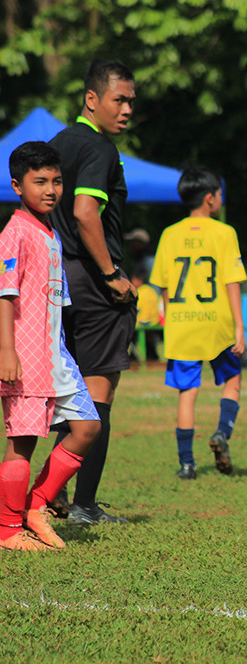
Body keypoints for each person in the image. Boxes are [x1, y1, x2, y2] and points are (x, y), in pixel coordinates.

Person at [47, 60, 137, 526]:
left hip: (57, 277)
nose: (126, 110)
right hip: (91, 279)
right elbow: (85, 213)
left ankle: (54, 491)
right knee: (98, 391)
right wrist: (111, 275)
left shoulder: (58, 144)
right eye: (118, 100)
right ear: (92, 99)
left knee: (66, 392)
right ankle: (81, 504)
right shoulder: (100, 146)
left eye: (130, 102)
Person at [0, 142, 101, 550]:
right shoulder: (14, 233)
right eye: (39, 181)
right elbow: (5, 295)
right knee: (22, 441)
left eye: (56, 181)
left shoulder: (50, 232)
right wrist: (7, 351)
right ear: (16, 186)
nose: (50, 189)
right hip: (24, 356)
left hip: (55, 356)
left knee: (88, 426)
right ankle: (7, 530)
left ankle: (36, 506)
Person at [150, 167, 246, 480]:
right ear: (209, 198)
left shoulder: (169, 234)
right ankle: (221, 433)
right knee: (232, 380)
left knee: (187, 392)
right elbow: (232, 282)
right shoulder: (224, 232)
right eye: (219, 194)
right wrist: (239, 329)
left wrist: (171, 320)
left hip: (182, 324)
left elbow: (163, 285)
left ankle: (187, 464)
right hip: (217, 324)